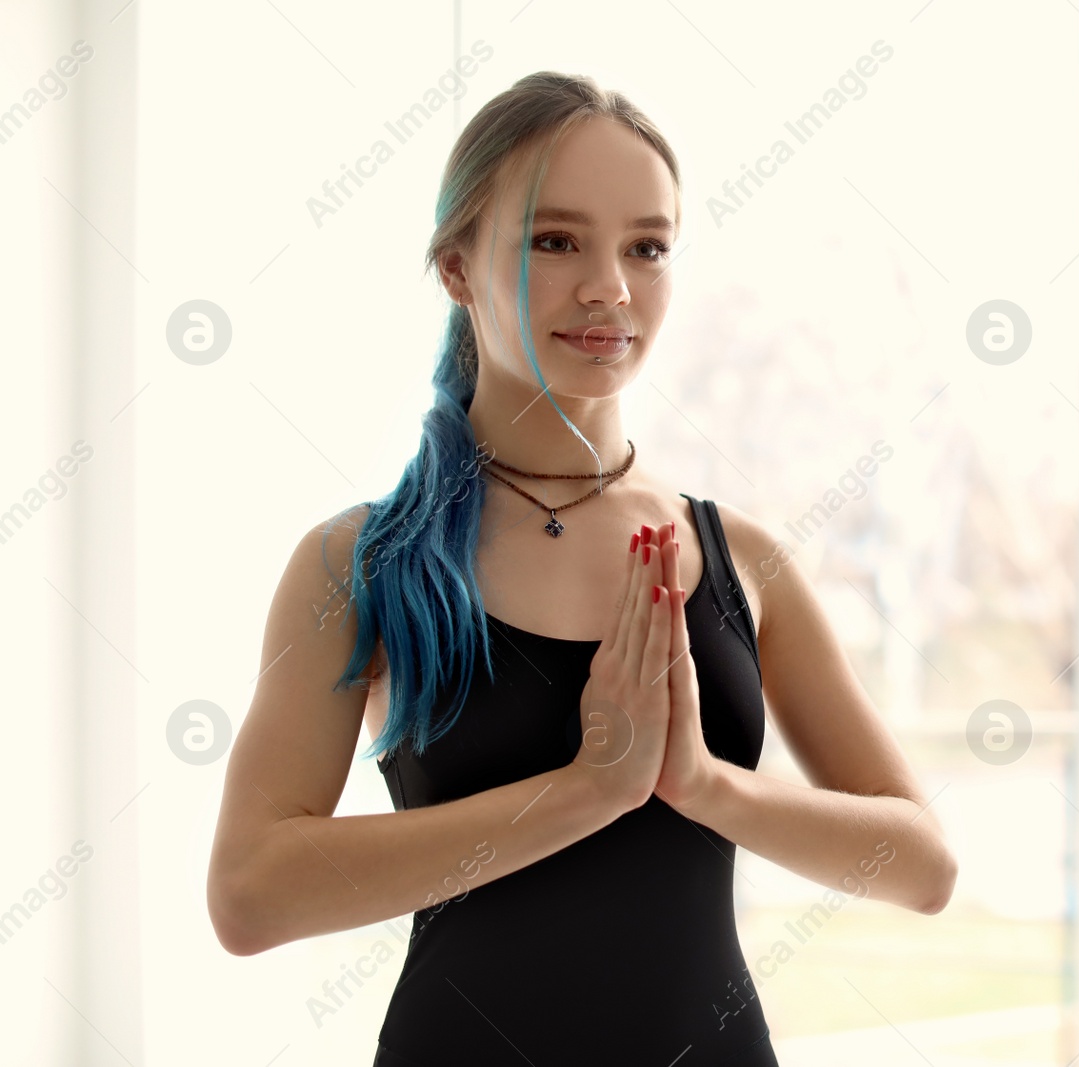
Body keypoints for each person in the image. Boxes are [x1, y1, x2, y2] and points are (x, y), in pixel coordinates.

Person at [205, 71, 958, 1065]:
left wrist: (702, 785)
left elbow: (921, 865)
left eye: (646, 247)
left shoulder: (742, 560)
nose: (609, 286)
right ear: (457, 266)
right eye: (555, 241)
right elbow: (252, 892)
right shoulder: (358, 563)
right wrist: (583, 790)